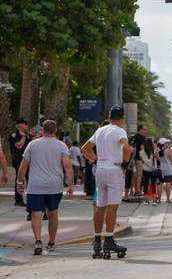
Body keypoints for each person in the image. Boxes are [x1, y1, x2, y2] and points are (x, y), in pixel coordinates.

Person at [81, 108, 134, 259]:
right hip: (114, 170)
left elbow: (85, 148)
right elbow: (126, 148)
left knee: (100, 206)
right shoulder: (119, 131)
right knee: (112, 207)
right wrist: (124, 163)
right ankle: (109, 239)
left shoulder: (100, 131)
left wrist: (95, 160)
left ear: (109, 117)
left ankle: (97, 239)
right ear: (122, 118)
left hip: (100, 170)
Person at [17, 119, 73, 254]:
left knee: (36, 213)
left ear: (43, 129)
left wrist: (19, 183)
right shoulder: (61, 146)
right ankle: (52, 242)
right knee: (53, 213)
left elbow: (23, 166)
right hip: (54, 186)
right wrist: (70, 184)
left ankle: (37, 241)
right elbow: (68, 167)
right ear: (55, 130)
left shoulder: (32, 144)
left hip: (36, 185)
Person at [8, 117, 32, 206]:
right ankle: (18, 199)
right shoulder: (14, 134)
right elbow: (19, 146)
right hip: (18, 159)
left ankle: (31, 198)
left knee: (29, 179)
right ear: (20, 125)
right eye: (25, 124)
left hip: (27, 160)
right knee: (19, 179)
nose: (26, 126)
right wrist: (23, 137)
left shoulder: (27, 134)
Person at [158, 139, 172, 203]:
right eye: (166, 142)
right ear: (164, 143)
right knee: (168, 183)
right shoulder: (168, 150)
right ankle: (168, 199)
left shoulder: (157, 150)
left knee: (159, 184)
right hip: (168, 169)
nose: (167, 143)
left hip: (160, 169)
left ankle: (159, 199)